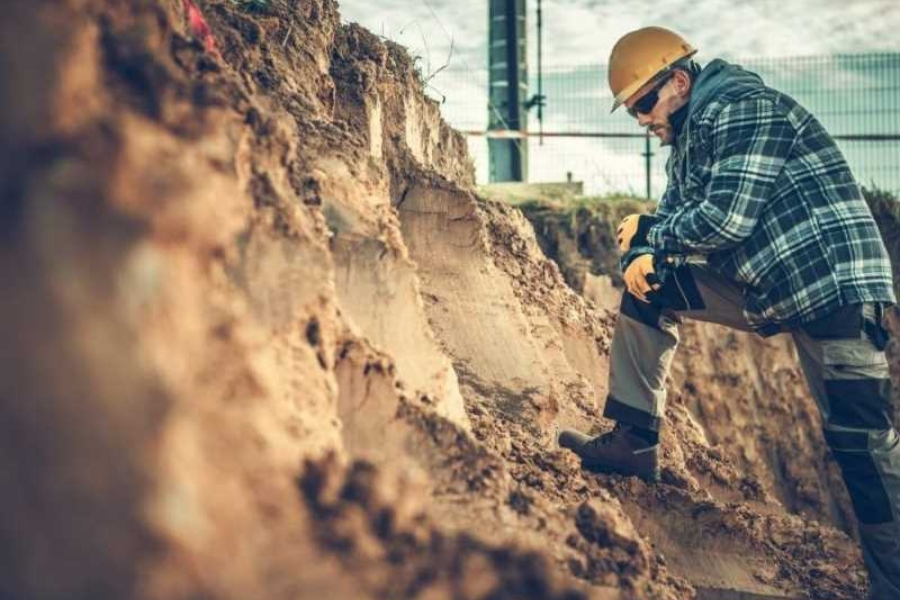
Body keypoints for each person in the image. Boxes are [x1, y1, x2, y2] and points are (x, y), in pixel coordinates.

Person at [557, 26, 899, 599]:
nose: (641, 119)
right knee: (649, 286)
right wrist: (645, 249)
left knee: (861, 448)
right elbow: (677, 219)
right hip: (770, 284)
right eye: (632, 111)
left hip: (832, 287)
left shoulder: (742, 108)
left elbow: (724, 221)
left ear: (681, 82)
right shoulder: (688, 143)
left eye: (644, 103)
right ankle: (634, 441)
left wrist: (652, 232)